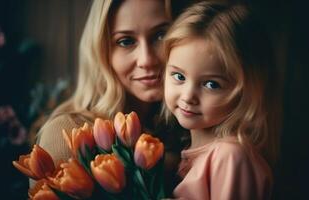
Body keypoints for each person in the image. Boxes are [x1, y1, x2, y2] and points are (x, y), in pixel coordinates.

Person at [33, 0, 191, 195]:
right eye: (125, 41)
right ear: (101, 51)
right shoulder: (67, 132)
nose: (147, 59)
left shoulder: (190, 128)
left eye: (160, 35)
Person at [162, 1, 280, 199]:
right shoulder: (186, 150)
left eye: (211, 84)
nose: (188, 96)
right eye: (179, 76)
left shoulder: (231, 157)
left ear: (247, 91)